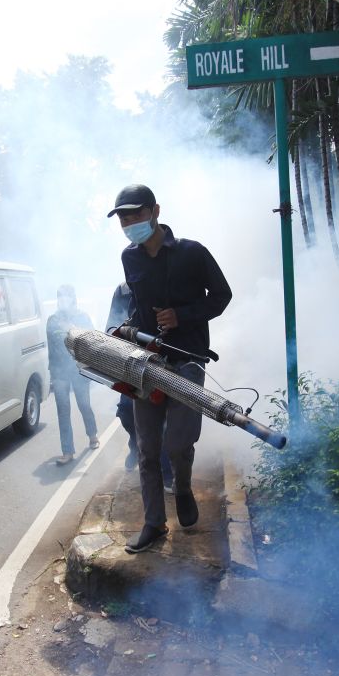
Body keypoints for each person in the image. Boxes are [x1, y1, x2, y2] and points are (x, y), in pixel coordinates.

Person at [107, 184, 232, 553]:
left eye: (135, 215)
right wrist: (125, 329)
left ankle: (181, 486)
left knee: (178, 443)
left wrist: (183, 315)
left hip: (188, 359)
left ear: (155, 211)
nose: (130, 223)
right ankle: (153, 523)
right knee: (147, 448)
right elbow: (137, 307)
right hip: (145, 363)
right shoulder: (129, 258)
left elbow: (222, 296)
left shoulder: (193, 253)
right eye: (123, 219)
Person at [106, 282, 174, 488]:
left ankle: (167, 471)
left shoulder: (165, 284)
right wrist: (119, 332)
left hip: (164, 361)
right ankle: (136, 445)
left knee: (161, 419)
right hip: (133, 361)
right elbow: (110, 325)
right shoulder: (123, 290)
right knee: (126, 411)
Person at [46, 284, 99, 465]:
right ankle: (67, 451)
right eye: (60, 296)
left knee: (84, 404)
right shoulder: (52, 320)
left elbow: (91, 340)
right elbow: (52, 348)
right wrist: (53, 373)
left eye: (66, 296)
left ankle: (92, 434)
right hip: (60, 372)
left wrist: (72, 328)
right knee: (63, 411)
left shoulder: (82, 317)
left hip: (78, 369)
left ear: (73, 298)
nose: (63, 300)